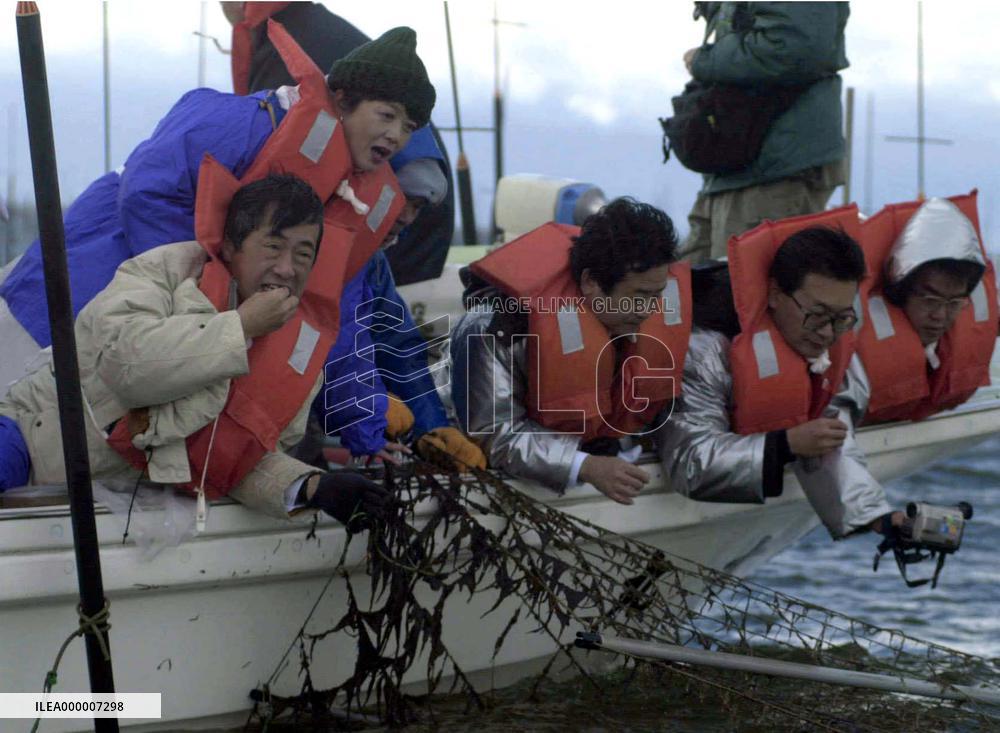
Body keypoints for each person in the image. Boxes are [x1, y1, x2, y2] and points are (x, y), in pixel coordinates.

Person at [0, 23, 434, 396]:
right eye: (386, 115)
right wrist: (206, 304)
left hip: (158, 351)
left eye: (408, 127)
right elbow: (145, 193)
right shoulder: (242, 121)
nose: (396, 135)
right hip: (58, 305)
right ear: (340, 100)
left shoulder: (342, 205)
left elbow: (332, 318)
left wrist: (369, 429)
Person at [0, 175, 389, 532]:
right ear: (232, 246)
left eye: (303, 255)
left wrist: (312, 487)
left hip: (114, 493)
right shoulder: (159, 273)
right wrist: (239, 328)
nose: (287, 268)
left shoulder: (299, 352)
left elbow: (233, 462)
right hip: (28, 440)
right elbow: (127, 365)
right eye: (273, 246)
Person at [658, 210, 900, 540]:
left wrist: (878, 518)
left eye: (842, 317)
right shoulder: (704, 350)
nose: (828, 332)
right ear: (774, 294)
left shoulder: (831, 344)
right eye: (817, 315)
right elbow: (691, 461)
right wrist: (784, 446)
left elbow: (831, 429)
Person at [450, 198, 692, 503]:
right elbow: (492, 433)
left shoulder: (634, 317)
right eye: (640, 296)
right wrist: (583, 466)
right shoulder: (495, 330)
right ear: (591, 282)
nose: (649, 310)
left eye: (657, 295)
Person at [222, 1, 455, 286]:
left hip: (385, 254)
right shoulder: (321, 32)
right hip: (397, 250)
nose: (396, 134)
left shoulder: (291, 43)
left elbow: (420, 181)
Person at [307, 131, 487, 471]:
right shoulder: (303, 245)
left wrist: (432, 428)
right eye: (404, 199)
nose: (407, 218)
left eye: (417, 206)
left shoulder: (371, 263)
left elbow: (398, 347)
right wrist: (365, 410)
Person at [679, 2, 850, 262]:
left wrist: (704, 60)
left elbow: (794, 47)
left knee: (745, 290)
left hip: (772, 166)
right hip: (745, 164)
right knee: (697, 288)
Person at [845, 195, 997, 425]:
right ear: (899, 291)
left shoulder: (961, 315)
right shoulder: (841, 328)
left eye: (954, 303)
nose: (940, 316)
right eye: (929, 299)